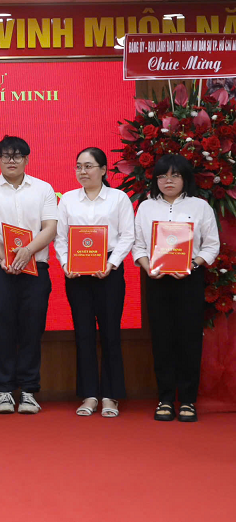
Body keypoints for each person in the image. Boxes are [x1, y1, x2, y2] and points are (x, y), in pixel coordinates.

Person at [0, 135, 58, 415]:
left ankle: (29, 392)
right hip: (2, 271)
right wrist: (7, 257)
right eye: (6, 156)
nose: (12, 160)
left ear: (26, 159)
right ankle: (4, 391)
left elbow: (50, 228)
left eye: (17, 155)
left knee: (33, 330)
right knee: (4, 330)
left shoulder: (43, 189)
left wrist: (28, 251)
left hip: (37, 271)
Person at [132, 154, 219, 423]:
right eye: (162, 176)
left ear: (185, 178)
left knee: (189, 339)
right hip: (156, 280)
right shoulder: (146, 207)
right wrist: (148, 268)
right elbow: (138, 245)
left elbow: (211, 245)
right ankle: (166, 399)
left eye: (174, 175)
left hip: (189, 280)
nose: (167, 181)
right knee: (162, 339)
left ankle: (188, 400)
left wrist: (191, 264)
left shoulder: (200, 206)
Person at [54, 147, 135, 418]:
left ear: (103, 169)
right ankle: (89, 394)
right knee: (84, 333)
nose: (82, 171)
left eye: (88, 166)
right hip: (77, 275)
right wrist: (66, 264)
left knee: (110, 333)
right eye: (79, 166)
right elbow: (61, 238)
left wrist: (112, 264)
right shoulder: (68, 199)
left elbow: (127, 235)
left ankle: (110, 395)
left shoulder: (118, 198)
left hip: (109, 271)